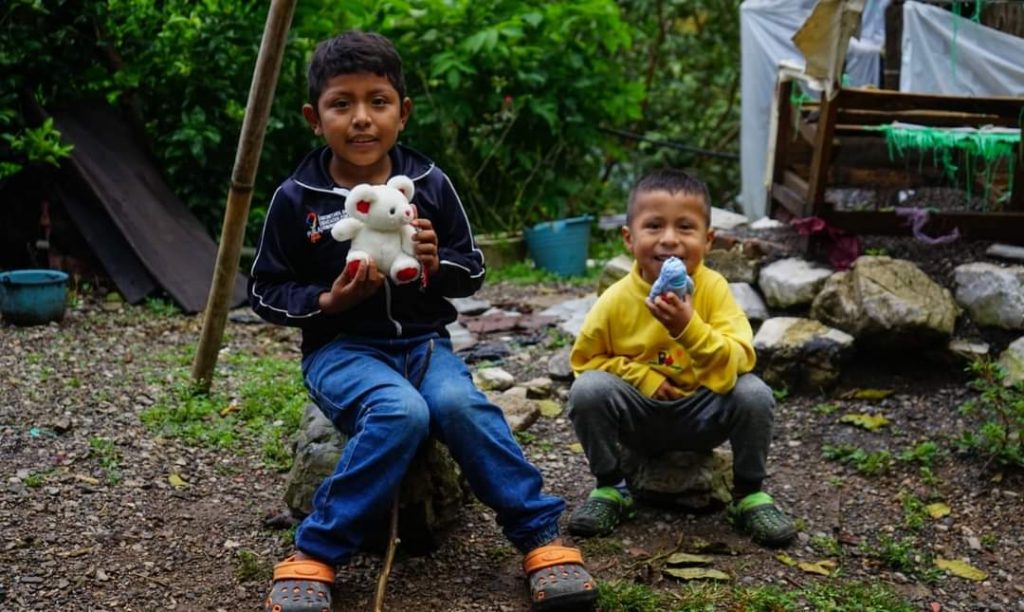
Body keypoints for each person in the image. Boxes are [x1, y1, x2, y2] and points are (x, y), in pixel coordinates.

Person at [249, 31, 597, 612]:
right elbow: (265, 288)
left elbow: (472, 267)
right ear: (315, 118)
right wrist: (328, 301)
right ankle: (315, 551)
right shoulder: (298, 197)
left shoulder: (429, 184)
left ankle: (539, 536)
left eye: (378, 102)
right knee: (401, 411)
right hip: (342, 351)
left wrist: (435, 267)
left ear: (402, 113)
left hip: (425, 345)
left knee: (461, 406)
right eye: (342, 104)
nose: (361, 119)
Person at [565, 168, 796, 548]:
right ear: (629, 238)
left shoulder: (713, 288)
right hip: (641, 419)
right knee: (589, 390)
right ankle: (611, 488)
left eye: (685, 228)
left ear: (707, 240)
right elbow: (584, 361)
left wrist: (689, 328)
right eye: (654, 226)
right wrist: (644, 378)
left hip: (702, 413)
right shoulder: (617, 299)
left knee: (753, 394)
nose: (669, 240)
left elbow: (740, 359)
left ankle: (749, 494)